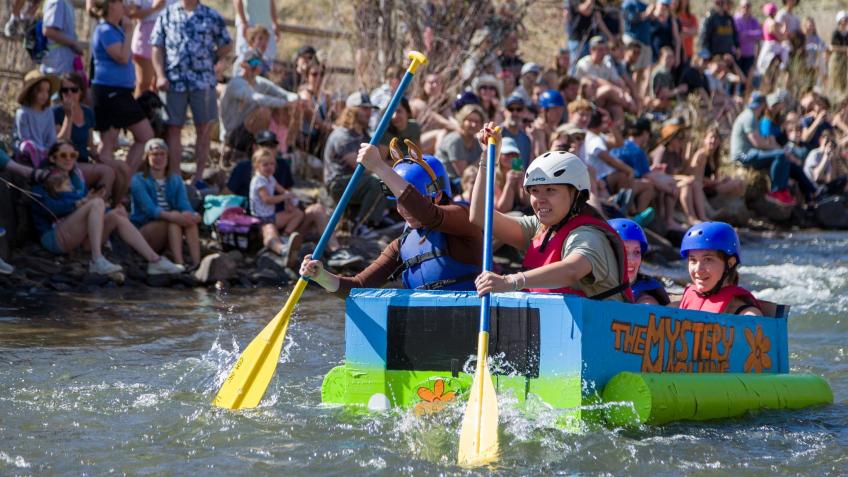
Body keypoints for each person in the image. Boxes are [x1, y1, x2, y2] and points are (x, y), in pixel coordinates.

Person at [471, 124, 631, 301]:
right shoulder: (539, 228)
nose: (540, 199)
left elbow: (571, 270)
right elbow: (480, 216)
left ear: (576, 194)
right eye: (535, 191)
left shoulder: (589, 236)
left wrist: (511, 281)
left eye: (550, 190)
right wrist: (488, 158)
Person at [300, 140, 482, 296]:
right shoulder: (402, 244)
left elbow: (429, 215)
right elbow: (359, 286)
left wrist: (379, 167)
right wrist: (321, 276)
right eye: (398, 202)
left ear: (438, 196)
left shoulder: (463, 218)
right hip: (427, 326)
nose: (404, 209)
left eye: (408, 201)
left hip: (469, 320)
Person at [32, 140, 183, 275]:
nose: (69, 159)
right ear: (52, 158)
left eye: (73, 155)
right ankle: (97, 260)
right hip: (55, 237)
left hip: (78, 237)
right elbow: (48, 208)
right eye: (63, 155)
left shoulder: (76, 179)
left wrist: (109, 210)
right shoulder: (45, 177)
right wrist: (80, 203)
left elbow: (87, 206)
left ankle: (155, 260)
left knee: (115, 214)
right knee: (97, 202)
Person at [151, 0, 232, 189]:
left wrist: (211, 59)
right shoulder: (168, 14)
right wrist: (160, 75)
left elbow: (226, 44)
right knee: (173, 128)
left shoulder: (211, 15)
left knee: (203, 129)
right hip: (174, 80)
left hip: (202, 81)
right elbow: (156, 46)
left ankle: (198, 177)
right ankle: (175, 176)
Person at [90, 0, 156, 177]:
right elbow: (121, 56)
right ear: (111, 5)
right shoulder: (104, 30)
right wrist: (129, 31)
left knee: (137, 136)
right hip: (109, 91)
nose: (125, 8)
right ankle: (109, 178)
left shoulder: (116, 29)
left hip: (122, 92)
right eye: (121, 3)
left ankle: (122, 177)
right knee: (112, 139)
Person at [323, 92, 389, 238]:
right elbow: (359, 165)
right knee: (376, 182)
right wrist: (383, 169)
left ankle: (376, 219)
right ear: (352, 110)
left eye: (370, 109)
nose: (369, 112)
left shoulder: (364, 135)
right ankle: (362, 225)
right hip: (338, 183)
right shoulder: (342, 135)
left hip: (355, 181)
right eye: (364, 109)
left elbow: (378, 159)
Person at [130, 139, 200, 269]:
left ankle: (197, 263)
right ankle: (179, 263)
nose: (159, 158)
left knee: (189, 220)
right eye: (154, 154)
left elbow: (183, 204)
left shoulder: (175, 179)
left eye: (162, 154)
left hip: (172, 225)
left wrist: (191, 214)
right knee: (173, 219)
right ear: (147, 158)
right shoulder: (138, 180)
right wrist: (173, 216)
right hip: (145, 229)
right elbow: (150, 210)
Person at [219, 48, 296, 156]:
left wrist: (298, 100)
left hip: (248, 132)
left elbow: (285, 94)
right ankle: (259, 148)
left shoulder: (260, 82)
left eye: (259, 63)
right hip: (232, 135)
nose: (257, 66)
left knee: (288, 107)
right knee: (264, 111)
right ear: (243, 65)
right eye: (254, 62)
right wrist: (284, 103)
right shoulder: (236, 83)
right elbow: (256, 98)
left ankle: (286, 146)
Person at [678, 221, 762, 316]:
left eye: (708, 259)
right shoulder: (683, 302)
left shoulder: (747, 315)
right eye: (693, 260)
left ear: (730, 263)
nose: (698, 269)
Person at [730, 92, 796, 206]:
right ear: (763, 104)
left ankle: (782, 191)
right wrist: (775, 148)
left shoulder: (752, 116)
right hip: (742, 156)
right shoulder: (749, 116)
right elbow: (757, 143)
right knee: (780, 155)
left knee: (782, 156)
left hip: (750, 153)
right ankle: (775, 192)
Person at [249, 148, 303, 267]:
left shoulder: (271, 178)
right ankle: (282, 250)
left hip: (271, 216)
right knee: (270, 232)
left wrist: (289, 201)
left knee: (298, 213)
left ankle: (285, 237)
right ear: (257, 166)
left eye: (272, 164)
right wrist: (284, 197)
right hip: (261, 219)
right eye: (265, 164)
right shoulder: (259, 180)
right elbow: (267, 199)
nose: (269, 167)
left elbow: (283, 191)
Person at [608, 218, 669, 305]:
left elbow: (648, 307)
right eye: (624, 252)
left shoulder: (646, 297)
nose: (632, 260)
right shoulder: (588, 284)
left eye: (637, 252)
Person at [15, 70, 57, 168]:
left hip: (46, 151)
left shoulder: (49, 112)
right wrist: (39, 150)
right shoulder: (22, 113)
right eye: (40, 90)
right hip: (27, 152)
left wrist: (48, 149)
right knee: (28, 146)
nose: (44, 95)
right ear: (31, 91)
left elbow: (51, 136)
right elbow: (24, 137)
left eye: (47, 91)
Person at [435, 104, 485, 188]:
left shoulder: (476, 142)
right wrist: (485, 156)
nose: (473, 125)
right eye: (470, 120)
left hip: (461, 183)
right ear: (462, 120)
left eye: (477, 122)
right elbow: (464, 173)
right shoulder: (455, 140)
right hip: (444, 184)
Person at [127, 0, 168, 96]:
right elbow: (131, 14)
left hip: (168, 37)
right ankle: (137, 109)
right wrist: (154, 8)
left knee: (159, 85)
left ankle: (156, 110)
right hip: (146, 38)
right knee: (144, 84)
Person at [41, 0, 85, 75]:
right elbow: (48, 31)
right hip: (56, 66)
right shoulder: (57, 2)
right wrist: (73, 43)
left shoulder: (67, 3)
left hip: (65, 63)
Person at [494, 137, 530, 213]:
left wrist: (522, 183)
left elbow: (527, 203)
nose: (511, 157)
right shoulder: (493, 177)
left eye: (514, 154)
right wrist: (509, 183)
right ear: (499, 155)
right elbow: (502, 209)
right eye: (507, 154)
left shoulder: (520, 172)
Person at [500, 94, 532, 168]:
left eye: (519, 109)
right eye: (511, 109)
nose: (515, 113)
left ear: (523, 112)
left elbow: (519, 168)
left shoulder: (526, 139)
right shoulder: (496, 134)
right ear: (504, 111)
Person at [531, 89, 566, 157]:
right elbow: (540, 156)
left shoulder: (555, 128)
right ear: (544, 110)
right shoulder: (538, 127)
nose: (558, 113)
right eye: (555, 109)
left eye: (560, 109)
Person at [733, 0, 762, 80]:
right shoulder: (735, 19)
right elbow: (738, 35)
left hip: (749, 54)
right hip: (737, 53)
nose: (746, 8)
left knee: (746, 77)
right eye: (744, 6)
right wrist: (751, 35)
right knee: (736, 77)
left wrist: (746, 34)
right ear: (740, 7)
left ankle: (743, 92)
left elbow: (759, 34)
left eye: (748, 6)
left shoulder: (753, 20)